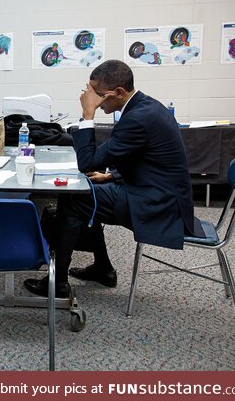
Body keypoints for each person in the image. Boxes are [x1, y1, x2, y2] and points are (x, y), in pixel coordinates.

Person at [24, 59, 201, 298]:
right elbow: (149, 161)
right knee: (86, 194)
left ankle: (57, 283)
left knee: (74, 199)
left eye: (95, 94)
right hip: (158, 191)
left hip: (158, 205)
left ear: (118, 92)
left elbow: (87, 162)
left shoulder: (138, 118)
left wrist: (88, 115)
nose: (90, 97)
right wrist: (111, 175)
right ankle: (102, 269)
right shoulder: (145, 107)